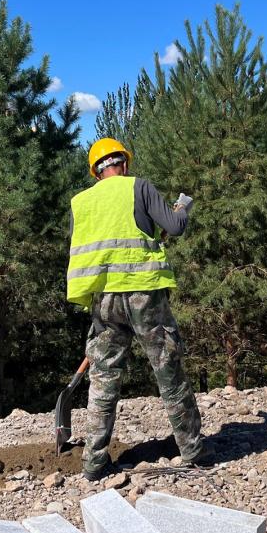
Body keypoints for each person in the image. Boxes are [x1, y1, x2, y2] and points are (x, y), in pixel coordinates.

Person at [67, 138, 212, 481]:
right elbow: (174, 227)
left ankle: (94, 463)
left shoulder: (81, 201)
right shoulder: (140, 187)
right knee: (167, 369)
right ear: (124, 165)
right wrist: (179, 211)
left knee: (103, 377)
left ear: (96, 171)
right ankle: (193, 450)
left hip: (103, 299)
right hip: (143, 294)